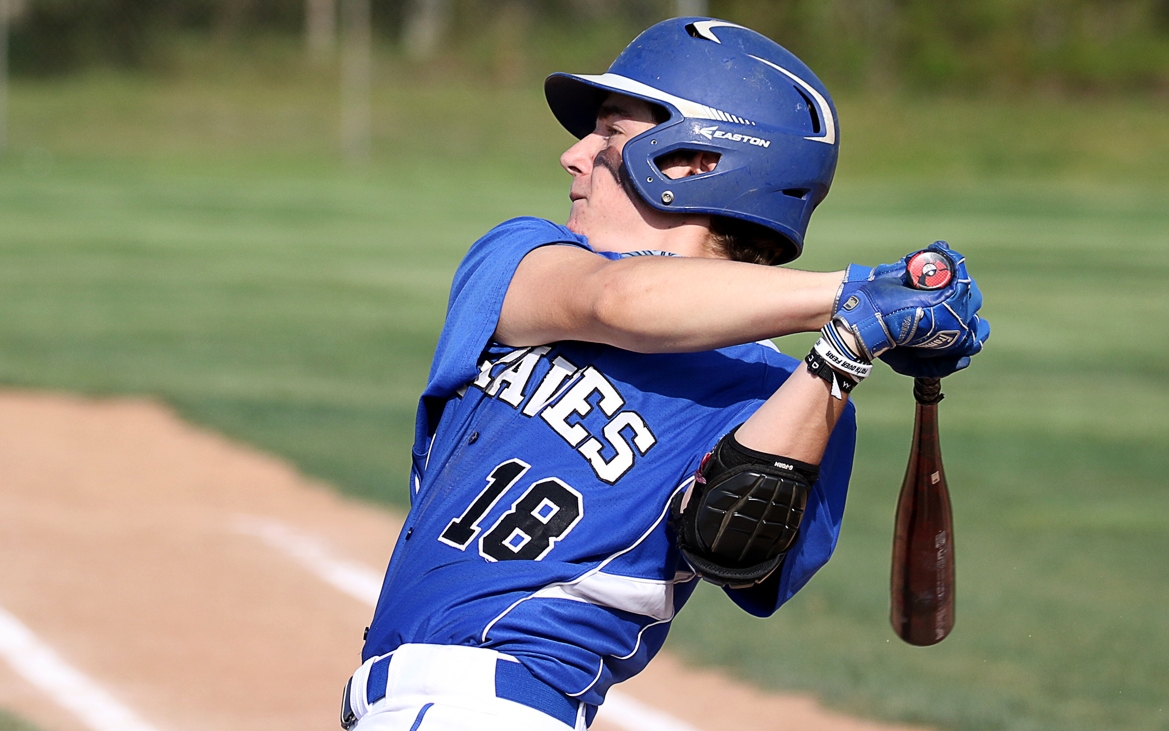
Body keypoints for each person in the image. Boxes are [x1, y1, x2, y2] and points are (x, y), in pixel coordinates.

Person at [340, 17, 988, 731]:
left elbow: (734, 551)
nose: (572, 155)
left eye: (610, 136)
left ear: (696, 162)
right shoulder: (523, 257)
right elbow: (620, 300)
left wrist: (847, 349)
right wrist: (857, 294)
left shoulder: (777, 387)